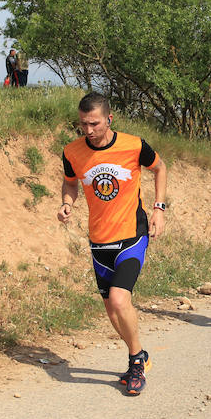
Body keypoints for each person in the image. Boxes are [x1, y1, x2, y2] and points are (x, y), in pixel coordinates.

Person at [57, 92, 167, 396]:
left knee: (120, 300)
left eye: (94, 123)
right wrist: (68, 203)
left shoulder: (134, 145)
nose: (88, 130)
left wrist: (159, 208)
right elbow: (70, 181)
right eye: (83, 124)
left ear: (109, 118)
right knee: (111, 310)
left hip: (132, 236)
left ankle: (136, 362)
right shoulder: (72, 151)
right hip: (99, 241)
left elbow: (160, 168)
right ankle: (140, 354)